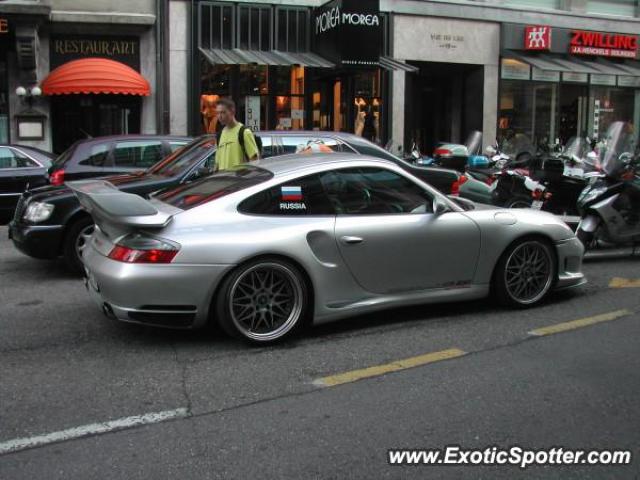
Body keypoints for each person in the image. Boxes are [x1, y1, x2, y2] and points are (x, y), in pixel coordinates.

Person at [215, 97, 260, 171]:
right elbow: (217, 163)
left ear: (232, 112)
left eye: (223, 112)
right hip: (223, 180)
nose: (219, 116)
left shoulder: (244, 132)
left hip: (239, 180)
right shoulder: (220, 135)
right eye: (218, 113)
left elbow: (254, 161)